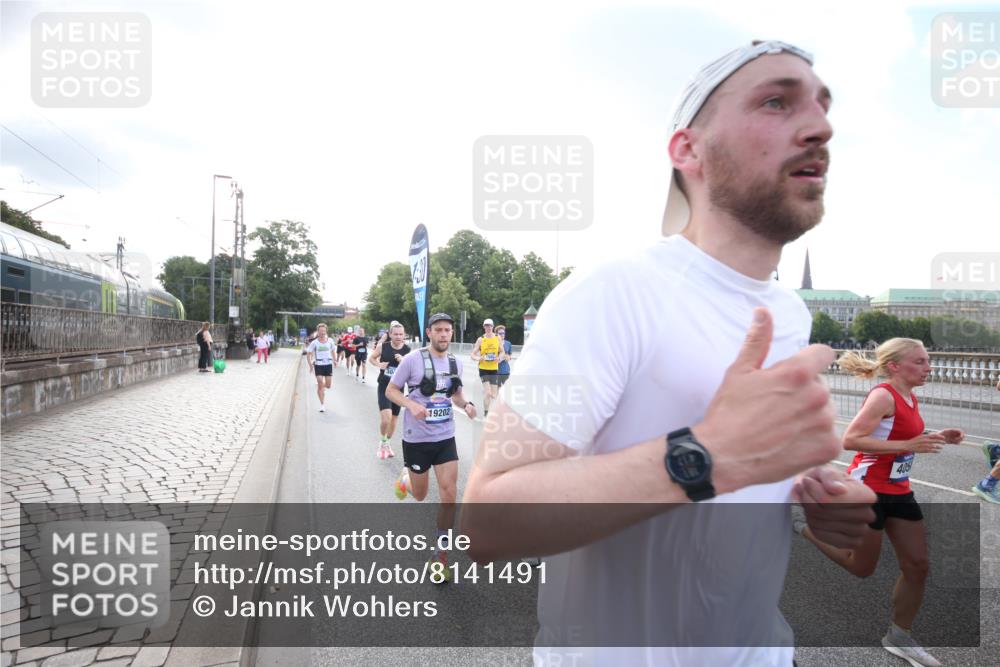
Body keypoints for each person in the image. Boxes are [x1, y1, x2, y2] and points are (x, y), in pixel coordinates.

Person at [458, 40, 877, 666]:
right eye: (775, 102)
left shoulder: (790, 313)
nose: (820, 127)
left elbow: (739, 484)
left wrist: (811, 496)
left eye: (822, 106)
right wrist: (705, 455)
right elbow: (488, 524)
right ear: (688, 150)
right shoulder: (613, 291)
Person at [793, 339, 962, 667]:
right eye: (920, 361)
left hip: (898, 490)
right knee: (861, 567)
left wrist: (939, 436)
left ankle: (899, 636)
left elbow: (895, 434)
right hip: (867, 489)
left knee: (917, 566)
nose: (928, 367)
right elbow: (851, 439)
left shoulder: (909, 396)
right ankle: (803, 527)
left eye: (928, 361)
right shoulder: (883, 395)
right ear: (895, 366)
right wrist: (909, 444)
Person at [385, 312, 476, 582]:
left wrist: (466, 404)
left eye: (447, 330)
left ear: (452, 333)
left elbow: (455, 394)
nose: (444, 334)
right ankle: (406, 479)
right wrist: (411, 405)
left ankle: (440, 556)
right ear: (429, 333)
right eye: (439, 330)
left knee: (449, 497)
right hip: (417, 439)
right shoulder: (413, 360)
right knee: (421, 494)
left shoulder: (455, 363)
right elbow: (391, 390)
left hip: (445, 437)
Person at [370, 321, 411, 459]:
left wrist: (403, 361)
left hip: (398, 389)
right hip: (384, 386)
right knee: (386, 418)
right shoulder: (383, 346)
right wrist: (379, 364)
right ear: (390, 334)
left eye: (401, 334)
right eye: (396, 334)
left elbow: (412, 370)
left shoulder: (408, 350)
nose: (398, 336)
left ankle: (387, 443)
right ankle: (382, 441)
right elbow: (371, 358)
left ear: (404, 335)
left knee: (394, 420)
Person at [470, 318, 505, 418]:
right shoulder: (480, 339)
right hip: (483, 369)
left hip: (494, 369)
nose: (488, 327)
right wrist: (478, 358)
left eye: (490, 326)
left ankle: (493, 409)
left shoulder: (498, 338)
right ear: (484, 327)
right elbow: (472, 354)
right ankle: (486, 413)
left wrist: (499, 358)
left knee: (494, 394)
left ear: (493, 327)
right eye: (486, 326)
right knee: (488, 392)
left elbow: (502, 352)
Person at [306, 323, 335, 412]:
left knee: (328, 385)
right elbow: (308, 353)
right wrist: (310, 365)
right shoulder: (314, 342)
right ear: (318, 332)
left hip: (328, 365)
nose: (322, 332)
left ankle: (322, 387)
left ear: (326, 331)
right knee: (320, 383)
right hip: (318, 365)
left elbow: (333, 351)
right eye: (321, 331)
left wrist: (335, 360)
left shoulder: (330, 341)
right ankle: (322, 405)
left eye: (324, 331)